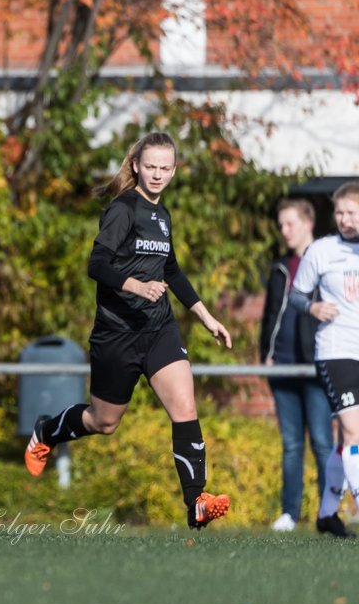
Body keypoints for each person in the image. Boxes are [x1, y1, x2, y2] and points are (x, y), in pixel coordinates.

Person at [22, 131, 232, 530]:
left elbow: (171, 270)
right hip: (116, 335)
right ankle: (46, 430)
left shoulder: (162, 216)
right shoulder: (123, 210)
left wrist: (205, 316)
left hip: (159, 330)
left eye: (164, 168)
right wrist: (136, 286)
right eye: (150, 166)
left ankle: (197, 502)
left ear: (174, 171)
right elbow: (96, 265)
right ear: (136, 165)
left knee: (185, 408)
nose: (156, 175)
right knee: (104, 422)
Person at [288, 181, 359, 538]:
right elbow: (297, 297)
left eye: (352, 212)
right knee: (355, 432)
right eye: (340, 212)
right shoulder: (321, 250)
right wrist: (313, 306)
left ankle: (327, 515)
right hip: (335, 350)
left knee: (349, 441)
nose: (344, 219)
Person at [260, 198, 335, 532]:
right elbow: (270, 314)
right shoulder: (279, 267)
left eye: (289, 223)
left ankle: (328, 511)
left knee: (322, 441)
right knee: (291, 445)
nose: (284, 231)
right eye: (281, 225)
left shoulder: (327, 263)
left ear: (308, 222)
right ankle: (289, 512)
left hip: (316, 366)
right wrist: (267, 352)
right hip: (283, 367)